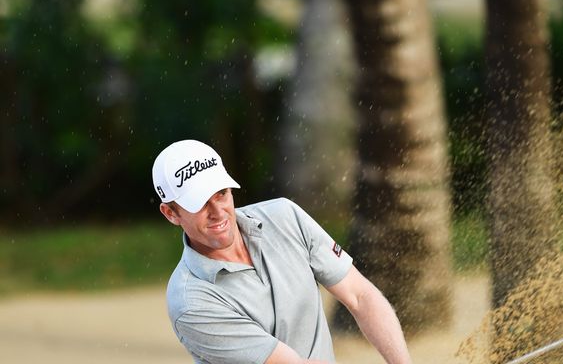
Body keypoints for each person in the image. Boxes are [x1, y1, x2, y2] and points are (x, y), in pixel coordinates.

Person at [152, 139, 413, 364]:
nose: (218, 212)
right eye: (199, 203)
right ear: (171, 213)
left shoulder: (284, 217)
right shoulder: (190, 303)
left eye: (221, 193)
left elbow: (360, 296)